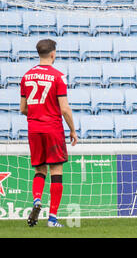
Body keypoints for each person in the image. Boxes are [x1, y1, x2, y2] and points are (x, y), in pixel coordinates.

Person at [20, 39, 78, 228]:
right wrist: (72, 130)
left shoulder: (26, 77)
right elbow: (65, 109)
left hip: (34, 129)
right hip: (53, 128)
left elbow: (23, 109)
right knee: (56, 172)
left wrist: (38, 113)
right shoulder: (58, 77)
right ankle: (52, 218)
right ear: (53, 53)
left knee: (39, 169)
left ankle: (37, 199)